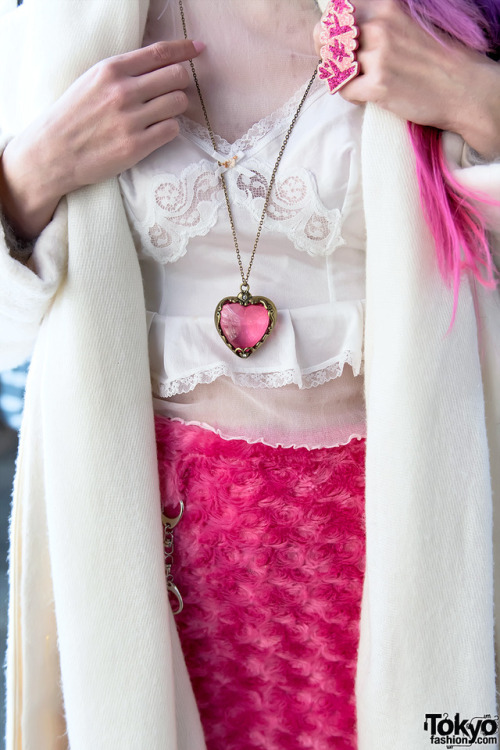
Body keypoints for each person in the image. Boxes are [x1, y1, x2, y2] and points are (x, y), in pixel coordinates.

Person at [0, 0, 499, 748]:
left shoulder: (436, 17)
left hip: (404, 547)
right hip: (154, 568)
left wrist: (475, 95)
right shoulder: (64, 23)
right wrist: (28, 177)